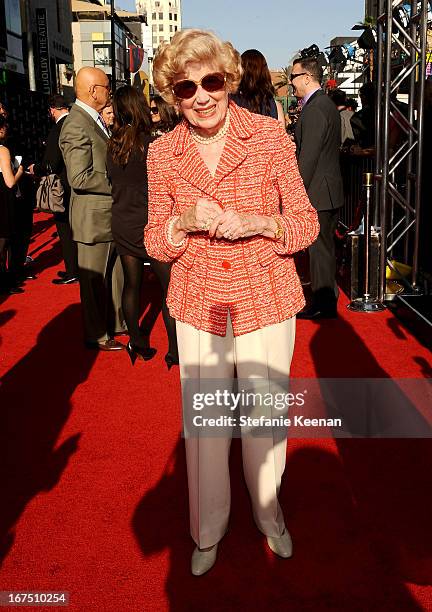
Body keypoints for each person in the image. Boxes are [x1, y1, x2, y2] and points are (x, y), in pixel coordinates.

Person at [144, 29, 319, 576]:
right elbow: (153, 241)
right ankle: (208, 529)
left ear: (229, 80)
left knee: (265, 420)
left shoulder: (269, 136)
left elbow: (307, 223)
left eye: (211, 81)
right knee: (207, 427)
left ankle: (270, 516)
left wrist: (262, 223)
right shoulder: (162, 153)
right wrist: (182, 221)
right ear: (171, 95)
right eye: (184, 87)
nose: (200, 96)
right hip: (200, 304)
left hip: (266, 298)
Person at [106, 86, 178, 367]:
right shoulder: (152, 145)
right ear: (138, 108)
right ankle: (174, 351)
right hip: (151, 223)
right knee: (169, 288)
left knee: (131, 284)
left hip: (122, 220)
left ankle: (136, 342)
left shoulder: (112, 144)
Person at [59, 67, 126, 351]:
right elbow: (80, 177)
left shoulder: (92, 120)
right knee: (93, 280)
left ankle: (115, 324)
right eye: (106, 86)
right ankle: (97, 334)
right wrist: (118, 183)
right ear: (92, 90)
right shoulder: (76, 124)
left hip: (106, 215)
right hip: (92, 218)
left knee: (113, 275)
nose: (109, 91)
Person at [291, 56, 344, 319]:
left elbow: (308, 157)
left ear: (307, 78)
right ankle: (327, 299)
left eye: (293, 77)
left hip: (318, 193)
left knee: (319, 250)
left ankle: (323, 304)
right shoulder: (326, 104)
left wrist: (295, 194)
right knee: (324, 249)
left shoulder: (314, 109)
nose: (291, 83)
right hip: (328, 190)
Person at [28, 94, 79, 285]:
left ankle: (72, 271)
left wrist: (35, 169)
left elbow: (51, 164)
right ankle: (78, 269)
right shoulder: (76, 124)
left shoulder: (59, 128)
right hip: (77, 185)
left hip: (62, 188)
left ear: (52, 110)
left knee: (64, 230)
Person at [0, 115, 24, 294]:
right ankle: (4, 283)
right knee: (3, 241)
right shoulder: (3, 150)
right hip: (2, 199)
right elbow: (9, 182)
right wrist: (20, 171)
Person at [230, 49, 285, 125]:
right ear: (264, 72)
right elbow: (281, 134)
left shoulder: (230, 103)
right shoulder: (275, 106)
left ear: (241, 71)